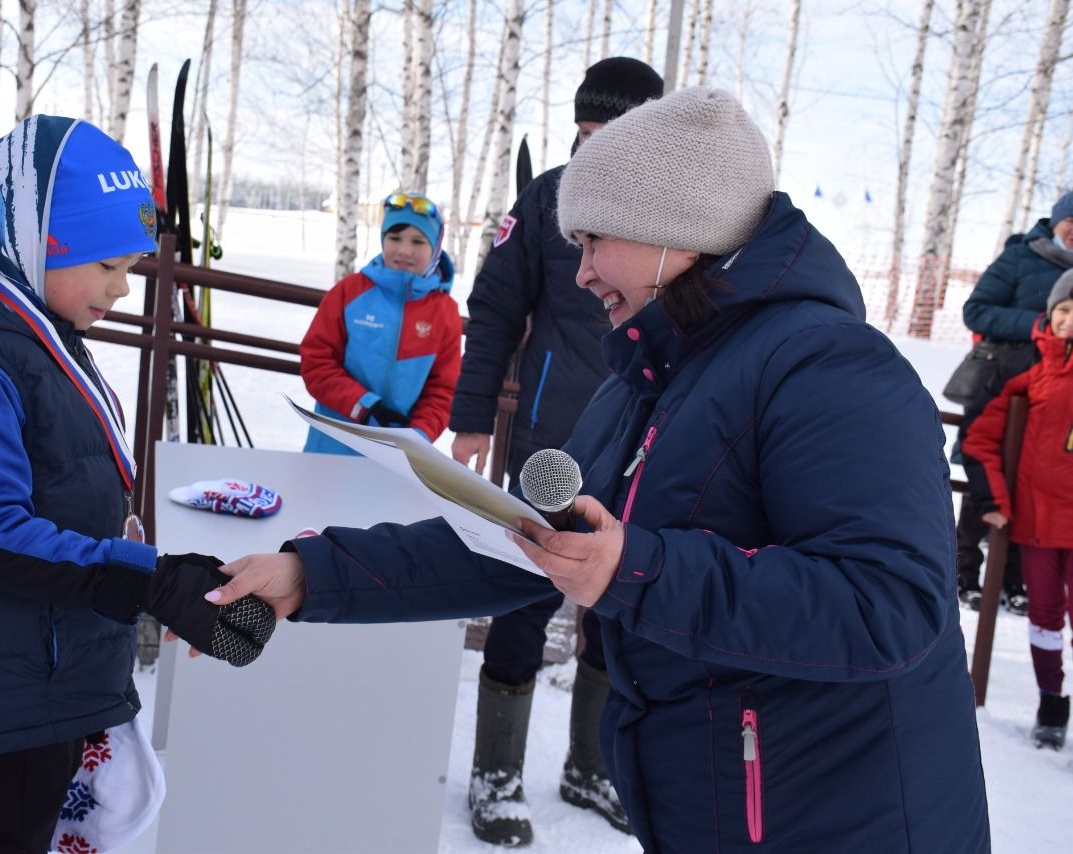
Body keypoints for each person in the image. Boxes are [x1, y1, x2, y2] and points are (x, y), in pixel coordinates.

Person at [213, 88, 990, 852]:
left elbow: (890, 603)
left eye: (593, 240)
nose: (580, 273)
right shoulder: (647, 378)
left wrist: (637, 571)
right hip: (718, 812)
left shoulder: (830, 366)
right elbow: (518, 540)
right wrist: (313, 575)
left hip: (842, 820)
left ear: (672, 231)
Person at [0, 115, 269, 854]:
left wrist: (156, 580)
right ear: (32, 238)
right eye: (107, 265)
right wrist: (150, 583)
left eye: (132, 268)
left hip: (52, 675)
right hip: (5, 701)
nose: (122, 288)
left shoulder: (30, 335)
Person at [448, 56, 662, 844]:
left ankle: (592, 764)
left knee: (623, 604)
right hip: (553, 444)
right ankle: (496, 774)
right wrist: (473, 415)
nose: (595, 148)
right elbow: (496, 305)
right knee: (524, 595)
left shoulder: (678, 214)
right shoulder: (545, 201)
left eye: (615, 134)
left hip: (646, 445)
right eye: (585, 133)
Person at [962, 269, 1073, 750]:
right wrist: (995, 504)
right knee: (1044, 618)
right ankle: (1052, 704)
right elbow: (980, 439)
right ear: (1050, 314)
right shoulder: (1025, 375)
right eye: (1065, 310)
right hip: (1039, 527)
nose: (1070, 321)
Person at [956, 191, 1073, 614]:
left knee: (1031, 485)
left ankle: (1013, 580)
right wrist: (1038, 324)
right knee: (985, 481)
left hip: (1054, 397)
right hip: (1003, 384)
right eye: (1071, 224)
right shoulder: (1021, 257)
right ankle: (963, 571)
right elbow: (977, 310)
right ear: (1057, 222)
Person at [300, 192, 460, 453]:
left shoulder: (445, 313)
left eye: (418, 241)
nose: (404, 250)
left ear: (435, 250)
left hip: (398, 455)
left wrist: (417, 437)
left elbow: (443, 390)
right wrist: (366, 406)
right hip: (332, 444)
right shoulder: (349, 292)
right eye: (394, 238)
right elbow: (316, 363)